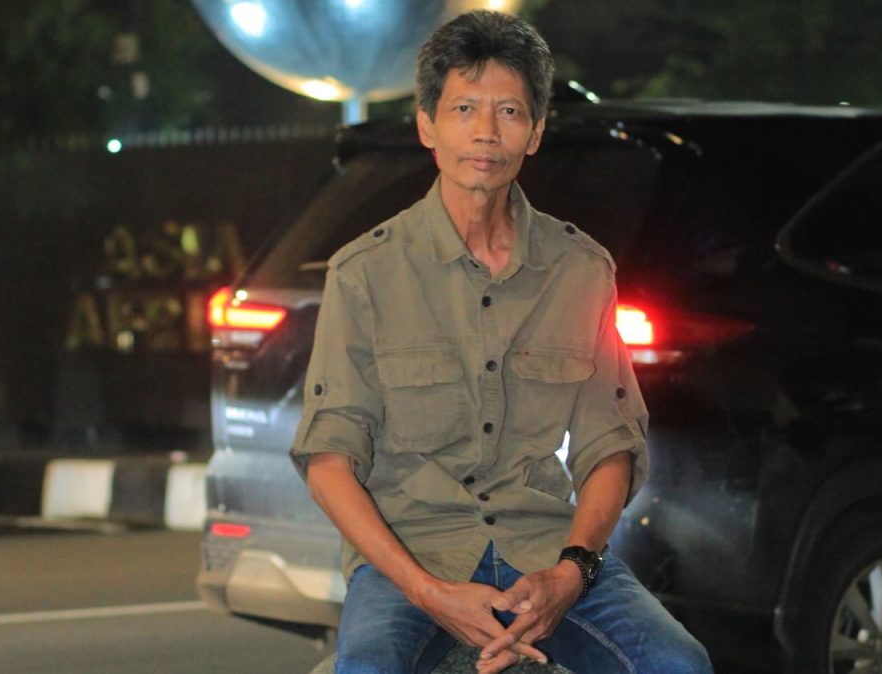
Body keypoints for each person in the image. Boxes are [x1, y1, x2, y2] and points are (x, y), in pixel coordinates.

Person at [290, 10, 713, 674]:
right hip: (411, 558)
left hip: (543, 549)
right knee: (367, 668)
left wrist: (572, 572)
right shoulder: (365, 273)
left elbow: (611, 446)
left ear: (535, 132)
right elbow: (328, 463)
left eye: (509, 111)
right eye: (464, 108)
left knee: (679, 664)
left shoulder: (580, 270)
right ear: (427, 125)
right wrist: (429, 593)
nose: (486, 131)